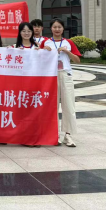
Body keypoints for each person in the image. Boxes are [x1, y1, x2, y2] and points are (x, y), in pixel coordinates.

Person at [41, 19, 81, 148]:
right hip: (51, 76)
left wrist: (67, 51)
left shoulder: (69, 43)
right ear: (51, 29)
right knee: (52, 107)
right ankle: (54, 134)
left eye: (59, 27)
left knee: (68, 105)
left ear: (63, 29)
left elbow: (77, 60)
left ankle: (67, 135)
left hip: (65, 74)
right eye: (54, 27)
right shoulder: (45, 42)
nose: (57, 29)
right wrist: (43, 51)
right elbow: (38, 58)